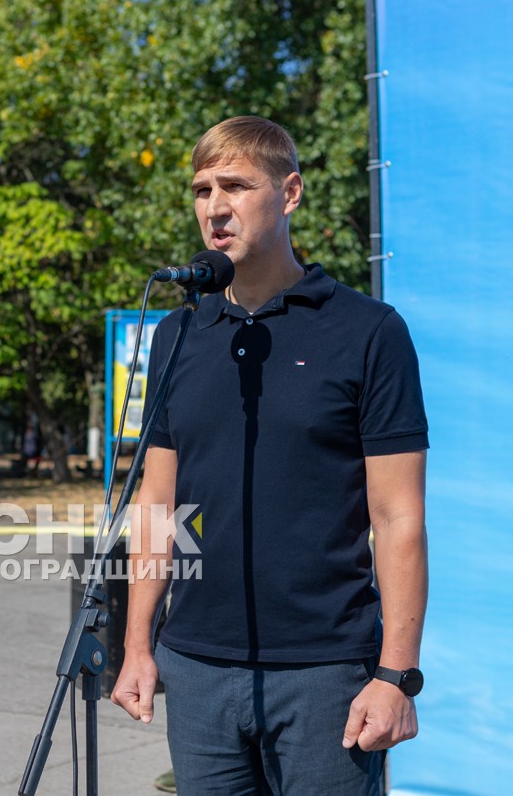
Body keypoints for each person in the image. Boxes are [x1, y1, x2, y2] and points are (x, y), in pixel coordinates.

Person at [110, 116, 429, 794]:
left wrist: (396, 675)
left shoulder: (368, 331)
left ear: (290, 193)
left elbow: (398, 516)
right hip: (195, 667)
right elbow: (156, 504)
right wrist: (138, 646)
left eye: (235, 185)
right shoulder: (176, 333)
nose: (214, 206)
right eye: (201, 189)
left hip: (327, 674)